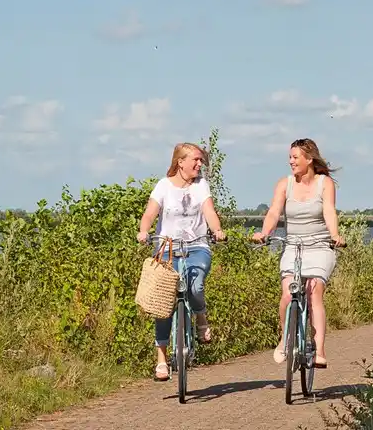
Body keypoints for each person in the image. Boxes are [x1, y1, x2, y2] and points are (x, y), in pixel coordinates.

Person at [136, 142, 228, 381]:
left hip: (197, 246)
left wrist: (217, 230)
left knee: (196, 285)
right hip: (167, 249)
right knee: (164, 303)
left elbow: (209, 212)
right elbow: (149, 213)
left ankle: (201, 318)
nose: (199, 165)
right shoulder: (163, 186)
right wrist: (144, 231)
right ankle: (161, 360)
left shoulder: (201, 186)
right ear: (180, 162)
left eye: (200, 161)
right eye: (195, 160)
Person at [250, 137, 345, 368]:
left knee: (314, 291)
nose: (290, 161)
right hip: (293, 245)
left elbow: (329, 211)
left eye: (295, 157)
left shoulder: (325, 183)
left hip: (320, 245)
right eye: (290, 157)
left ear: (309, 159)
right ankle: (285, 339)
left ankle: (319, 349)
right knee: (287, 293)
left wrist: (335, 235)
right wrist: (264, 233)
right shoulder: (285, 184)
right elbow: (274, 212)